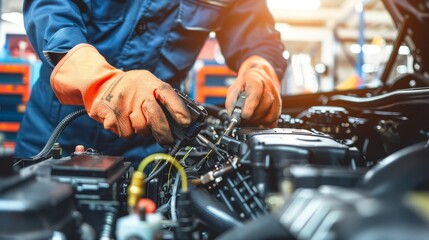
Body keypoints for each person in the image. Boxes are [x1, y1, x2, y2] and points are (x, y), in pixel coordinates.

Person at [15, 0, 287, 164]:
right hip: (53, 136)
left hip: (152, 142)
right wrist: (100, 82)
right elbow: (50, 9)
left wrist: (259, 68)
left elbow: (256, 35)